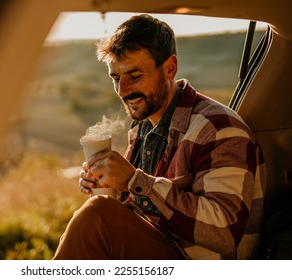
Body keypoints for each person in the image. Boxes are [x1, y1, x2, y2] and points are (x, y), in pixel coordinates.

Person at [53, 14, 266, 260]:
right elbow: (144, 208)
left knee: (97, 215)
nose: (122, 90)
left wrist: (134, 180)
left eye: (134, 76)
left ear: (169, 68)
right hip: (156, 251)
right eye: (115, 78)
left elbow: (225, 231)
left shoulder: (219, 129)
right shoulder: (143, 128)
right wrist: (109, 183)